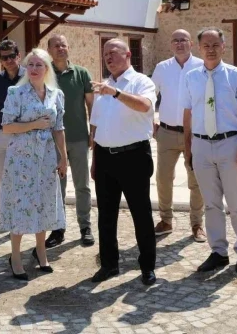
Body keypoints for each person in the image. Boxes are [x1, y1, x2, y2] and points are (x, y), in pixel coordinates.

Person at [181, 27, 237, 274]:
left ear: (223, 47)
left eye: (215, 45)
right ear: (199, 48)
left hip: (230, 144)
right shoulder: (191, 77)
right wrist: (188, 147)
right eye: (206, 46)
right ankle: (218, 252)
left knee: (236, 203)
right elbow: (188, 113)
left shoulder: (236, 75)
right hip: (201, 145)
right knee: (211, 204)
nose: (211, 50)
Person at [89, 39, 157, 286]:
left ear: (128, 54)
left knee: (141, 214)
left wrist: (116, 93)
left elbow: (145, 106)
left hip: (134, 157)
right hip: (105, 157)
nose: (108, 57)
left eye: (113, 52)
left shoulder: (142, 82)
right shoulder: (103, 86)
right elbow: (95, 126)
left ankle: (147, 266)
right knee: (106, 215)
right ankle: (109, 264)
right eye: (105, 53)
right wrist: (95, 160)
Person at [0, 48, 68, 280]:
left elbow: (58, 128)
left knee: (44, 202)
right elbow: (7, 126)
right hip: (21, 159)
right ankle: (15, 257)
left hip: (46, 158)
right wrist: (34, 124)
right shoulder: (16, 93)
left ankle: (41, 252)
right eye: (31, 64)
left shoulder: (56, 94)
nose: (34, 69)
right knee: (21, 203)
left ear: (47, 68)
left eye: (39, 65)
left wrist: (63, 157)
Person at [151, 29, 206, 242]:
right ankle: (166, 220)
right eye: (175, 40)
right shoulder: (162, 68)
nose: (179, 44)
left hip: (195, 134)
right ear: (170, 44)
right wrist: (151, 123)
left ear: (191, 43)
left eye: (183, 40)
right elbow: (149, 96)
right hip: (166, 132)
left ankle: (197, 223)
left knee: (196, 179)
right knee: (163, 178)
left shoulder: (202, 66)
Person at [45, 34, 95, 247]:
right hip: (53, 142)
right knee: (58, 187)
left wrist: (93, 132)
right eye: (56, 45)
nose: (60, 48)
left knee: (82, 185)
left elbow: (91, 105)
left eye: (64, 45)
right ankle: (58, 229)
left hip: (79, 139)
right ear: (49, 50)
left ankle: (85, 227)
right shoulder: (44, 73)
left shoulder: (81, 73)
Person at [0, 40, 25, 185]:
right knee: (2, 177)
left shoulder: (29, 77)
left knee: (23, 177)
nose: (9, 60)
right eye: (4, 57)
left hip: (24, 133)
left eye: (12, 56)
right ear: (0, 60)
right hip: (2, 134)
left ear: (19, 56)